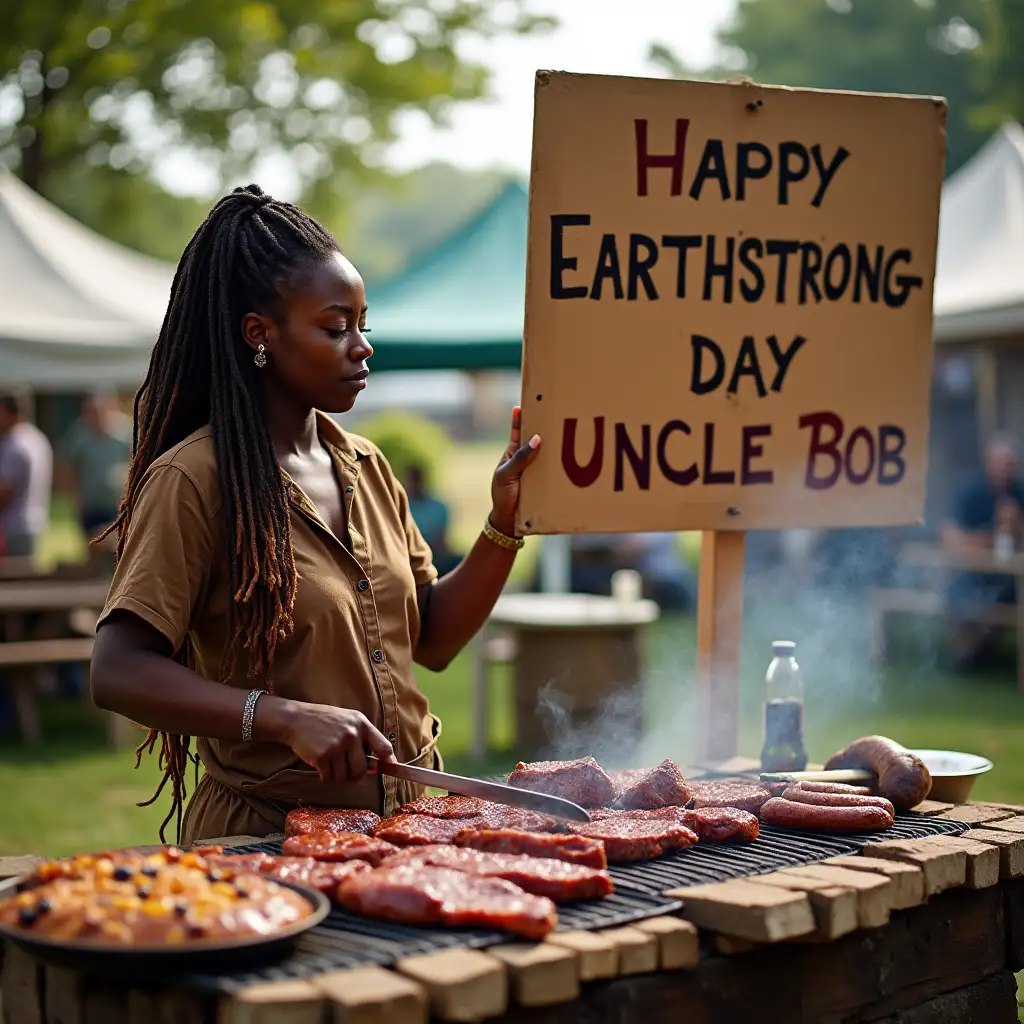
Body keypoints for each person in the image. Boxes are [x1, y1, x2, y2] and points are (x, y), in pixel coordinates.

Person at [89, 185, 540, 845]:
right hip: (268, 842)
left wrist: (504, 526)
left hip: (412, 834)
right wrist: (282, 717)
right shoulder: (195, 479)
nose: (362, 347)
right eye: (335, 327)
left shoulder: (367, 465)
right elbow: (118, 669)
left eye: (364, 324)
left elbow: (434, 640)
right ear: (259, 334)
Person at [941, 434, 1024, 667]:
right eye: (1001, 463)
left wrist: (1016, 526)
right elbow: (948, 534)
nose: (1006, 470)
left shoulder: (1019, 494)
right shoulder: (972, 493)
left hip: (1009, 577)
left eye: (1010, 464)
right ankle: (967, 650)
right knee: (958, 592)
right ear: (989, 463)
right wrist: (989, 536)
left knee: (1004, 596)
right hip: (973, 572)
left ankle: (974, 653)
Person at [57, 390, 132, 539]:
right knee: (92, 545)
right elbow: (67, 466)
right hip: (89, 504)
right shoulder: (79, 434)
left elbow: (135, 460)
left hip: (116, 503)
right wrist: (74, 497)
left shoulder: (125, 432)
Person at [0, 388, 53, 560]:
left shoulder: (14, 444)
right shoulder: (36, 438)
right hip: (35, 520)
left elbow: (5, 491)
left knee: (14, 583)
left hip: (14, 526)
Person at [403, 464, 459, 576]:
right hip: (407, 555)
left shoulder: (438, 507)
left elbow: (441, 538)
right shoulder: (401, 506)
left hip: (434, 553)